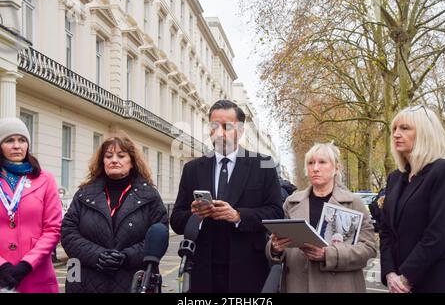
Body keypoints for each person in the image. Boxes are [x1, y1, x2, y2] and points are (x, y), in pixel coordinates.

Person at [170, 100, 284, 293]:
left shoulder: (263, 164)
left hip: (248, 272)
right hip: (203, 273)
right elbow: (176, 221)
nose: (220, 133)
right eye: (214, 126)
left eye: (227, 127)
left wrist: (238, 216)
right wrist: (195, 216)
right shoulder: (193, 169)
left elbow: (275, 214)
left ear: (240, 130)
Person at [61, 134, 168, 293]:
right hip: (86, 281)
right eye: (108, 156)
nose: (114, 160)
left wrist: (126, 257)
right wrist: (98, 255)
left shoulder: (150, 196)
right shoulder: (84, 194)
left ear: (132, 162)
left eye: (121, 156)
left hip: (134, 281)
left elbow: (159, 236)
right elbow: (68, 233)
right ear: (102, 162)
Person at [266, 142, 376, 292]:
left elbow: (368, 248)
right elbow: (278, 247)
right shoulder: (291, 203)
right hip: (298, 286)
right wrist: (275, 248)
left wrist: (328, 254)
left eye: (322, 162)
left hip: (340, 286)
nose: (315, 168)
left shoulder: (353, 203)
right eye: (310, 163)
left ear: (337, 167)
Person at [380, 105, 445, 293]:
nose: (395, 134)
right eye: (394, 128)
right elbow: (386, 231)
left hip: (434, 280)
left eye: (404, 128)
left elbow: (439, 233)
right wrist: (390, 273)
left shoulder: (443, 171)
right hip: (398, 284)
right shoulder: (395, 178)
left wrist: (407, 276)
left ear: (425, 133)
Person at [0, 118, 61, 293]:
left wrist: (27, 264)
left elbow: (53, 228)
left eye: (22, 140)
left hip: (36, 273)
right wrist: (2, 266)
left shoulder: (45, 179)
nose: (17, 146)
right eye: (9, 140)